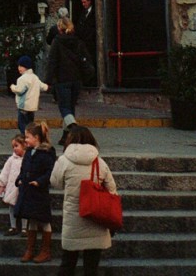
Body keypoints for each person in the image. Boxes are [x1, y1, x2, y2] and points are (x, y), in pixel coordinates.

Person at [50, 125, 118, 276]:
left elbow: (55, 183)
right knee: (91, 268)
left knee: (67, 264)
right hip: (96, 219)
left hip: (74, 220)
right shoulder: (100, 163)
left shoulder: (63, 161)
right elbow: (112, 190)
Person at [46, 17, 92, 146]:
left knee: (64, 108)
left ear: (59, 28)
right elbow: (86, 59)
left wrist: (48, 81)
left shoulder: (57, 42)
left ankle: (74, 128)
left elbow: (52, 62)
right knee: (70, 108)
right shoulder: (78, 42)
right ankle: (65, 137)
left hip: (62, 79)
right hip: (76, 80)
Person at [15, 121, 56, 263]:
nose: (25, 140)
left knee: (44, 220)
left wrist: (40, 181)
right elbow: (23, 169)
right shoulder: (28, 153)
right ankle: (30, 249)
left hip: (39, 191)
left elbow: (50, 171)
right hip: (28, 190)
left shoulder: (47, 152)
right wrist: (20, 179)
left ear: (36, 137)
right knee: (31, 219)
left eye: (27, 137)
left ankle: (46, 251)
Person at [10, 55, 49, 135]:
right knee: (30, 124)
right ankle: (31, 137)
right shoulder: (35, 77)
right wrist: (47, 87)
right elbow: (42, 86)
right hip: (32, 107)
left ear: (26, 67)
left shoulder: (22, 79)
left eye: (21, 66)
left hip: (23, 106)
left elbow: (20, 90)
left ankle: (26, 138)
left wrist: (12, 87)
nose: (19, 68)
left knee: (22, 125)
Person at [0, 134, 27, 235]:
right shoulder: (11, 159)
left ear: (24, 145)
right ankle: (13, 226)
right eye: (13, 146)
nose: (14, 149)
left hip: (23, 187)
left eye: (17, 146)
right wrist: (2, 184)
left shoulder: (27, 159)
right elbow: (5, 172)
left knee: (24, 207)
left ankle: (24, 228)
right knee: (11, 207)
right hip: (12, 187)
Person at [76, 0, 96, 82]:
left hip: (91, 42)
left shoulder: (95, 12)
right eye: (82, 2)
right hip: (83, 43)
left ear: (89, 1)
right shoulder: (83, 13)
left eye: (84, 2)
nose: (83, 4)